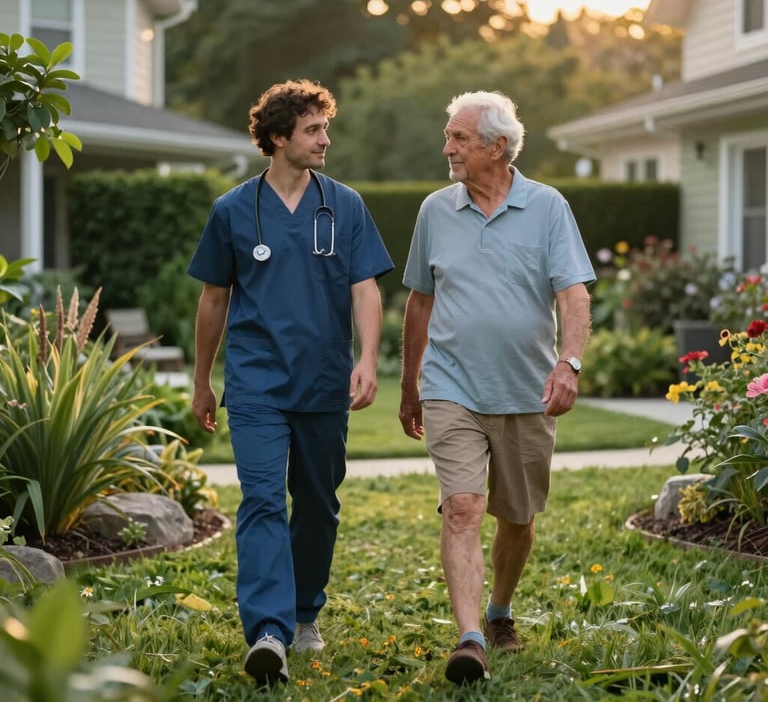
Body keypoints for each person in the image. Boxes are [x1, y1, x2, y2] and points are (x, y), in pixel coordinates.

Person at [188, 79, 394, 686]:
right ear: (279, 138)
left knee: (318, 505)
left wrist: (367, 356)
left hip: (324, 380)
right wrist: (203, 380)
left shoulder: (345, 206)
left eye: (325, 128)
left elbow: (365, 288)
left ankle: (306, 612)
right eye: (313, 130)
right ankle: (270, 632)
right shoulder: (232, 210)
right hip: (254, 384)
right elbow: (213, 299)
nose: (325, 139)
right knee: (259, 502)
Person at [398, 90, 594, 685]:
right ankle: (470, 639)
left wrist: (569, 363)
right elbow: (419, 302)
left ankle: (500, 610)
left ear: (496, 146)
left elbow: (574, 295)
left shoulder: (547, 206)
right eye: (449, 136)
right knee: (462, 507)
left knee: (518, 517)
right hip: (451, 383)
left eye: (459, 138)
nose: (447, 148)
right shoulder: (435, 210)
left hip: (525, 390)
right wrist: (411, 386)